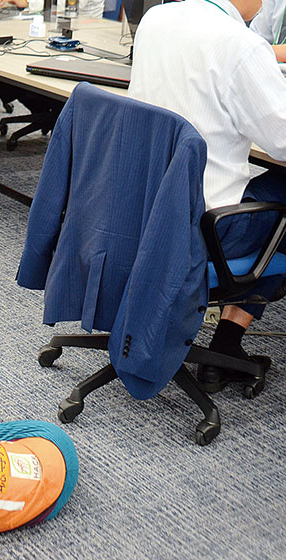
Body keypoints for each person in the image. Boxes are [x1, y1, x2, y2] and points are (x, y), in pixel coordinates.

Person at [128, 0, 286, 392]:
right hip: (207, 227)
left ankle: (227, 345)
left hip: (147, 211)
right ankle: (227, 342)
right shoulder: (239, 45)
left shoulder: (157, 18)